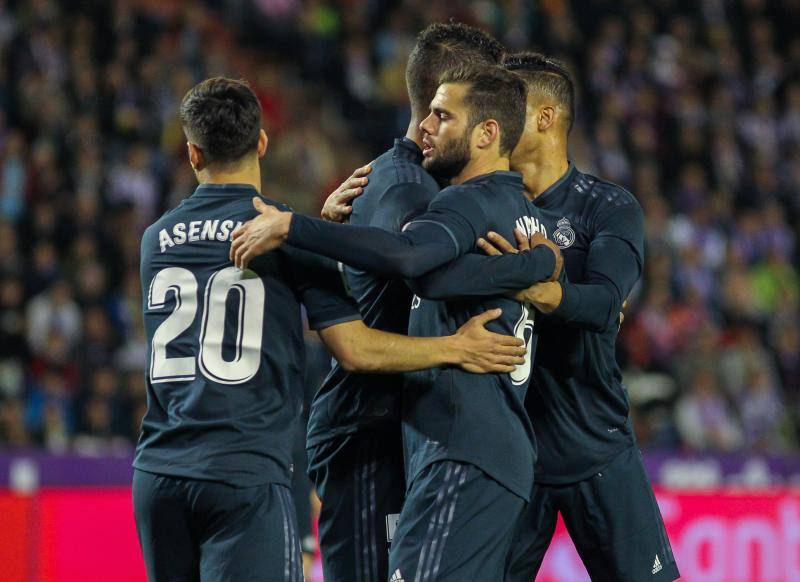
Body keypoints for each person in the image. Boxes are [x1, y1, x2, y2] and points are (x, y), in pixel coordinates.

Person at [132, 76, 529, 582]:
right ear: (261, 143)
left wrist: (317, 234)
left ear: (192, 154)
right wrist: (455, 347)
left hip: (159, 472)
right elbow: (355, 350)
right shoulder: (284, 235)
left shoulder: (154, 240)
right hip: (243, 472)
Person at [230, 65, 562, 581]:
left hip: (462, 449)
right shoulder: (528, 215)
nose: (423, 125)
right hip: (497, 452)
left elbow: (413, 263)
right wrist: (542, 264)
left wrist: (295, 226)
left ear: (487, 132)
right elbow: (441, 277)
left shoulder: (463, 201)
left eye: (442, 114)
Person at [301, 22, 516, 582]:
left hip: (396, 428)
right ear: (442, 103)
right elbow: (408, 268)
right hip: (368, 431)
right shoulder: (406, 191)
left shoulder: (428, 187)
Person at [481, 53, 679, 581]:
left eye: (508, 105)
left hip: (595, 442)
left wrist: (539, 286)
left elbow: (601, 306)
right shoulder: (479, 204)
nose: (491, 117)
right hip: (510, 453)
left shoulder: (607, 208)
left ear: (545, 119)